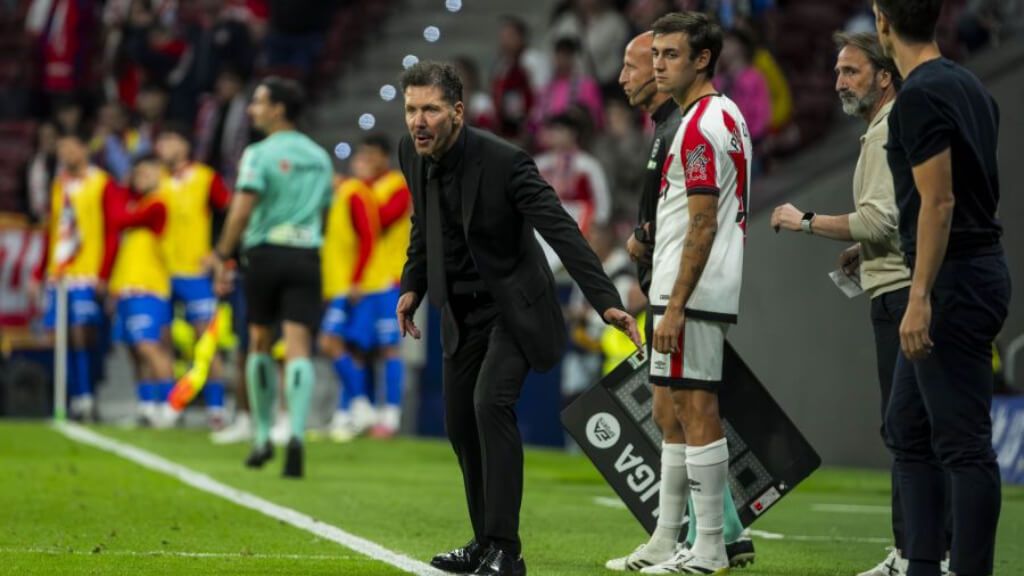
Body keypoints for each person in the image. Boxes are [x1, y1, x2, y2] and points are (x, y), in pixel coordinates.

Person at [394, 61, 640, 576]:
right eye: (412, 108)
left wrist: (605, 298)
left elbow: (561, 230)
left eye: (430, 109)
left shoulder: (505, 162)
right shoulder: (410, 155)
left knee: (490, 404)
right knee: (459, 425)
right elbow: (424, 227)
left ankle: (507, 550)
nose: (418, 120)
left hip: (512, 308)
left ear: (457, 112)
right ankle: (484, 542)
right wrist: (411, 285)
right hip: (459, 312)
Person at [769, 31, 952, 576]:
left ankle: (921, 553)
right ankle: (923, 551)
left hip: (902, 296)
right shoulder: (891, 125)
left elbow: (880, 218)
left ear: (884, 76)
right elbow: (899, 218)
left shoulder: (885, 130)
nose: (839, 82)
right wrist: (860, 246)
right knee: (915, 429)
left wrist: (804, 220)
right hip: (901, 284)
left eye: (851, 71)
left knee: (908, 431)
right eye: (837, 72)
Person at [606, 28, 754, 574]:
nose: (660, 65)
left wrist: (675, 305)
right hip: (681, 287)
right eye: (658, 55)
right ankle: (667, 539)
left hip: (690, 293)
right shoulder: (724, 116)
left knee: (696, 410)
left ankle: (711, 546)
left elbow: (702, 222)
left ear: (703, 59)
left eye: (672, 55)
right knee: (669, 411)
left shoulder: (697, 127)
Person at [874, 1, 1011, 575]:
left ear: (882, 22)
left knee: (963, 444)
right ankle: (922, 563)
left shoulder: (919, 96)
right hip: (974, 269)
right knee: (907, 426)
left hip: (951, 280)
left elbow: (940, 200)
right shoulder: (969, 84)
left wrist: (920, 295)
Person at [207, 76, 334, 479]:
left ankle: (262, 437)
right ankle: (295, 435)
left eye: (259, 102)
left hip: (264, 255)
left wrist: (222, 253)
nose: (251, 109)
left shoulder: (258, 154)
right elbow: (325, 211)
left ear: (278, 108)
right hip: (306, 254)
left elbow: (242, 209)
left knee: (259, 342)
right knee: (298, 348)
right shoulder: (319, 156)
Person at [29, 125, 121, 421]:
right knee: (59, 337)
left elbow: (111, 232)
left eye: (70, 147)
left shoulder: (102, 183)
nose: (65, 153)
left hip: (88, 273)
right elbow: (52, 233)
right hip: (61, 274)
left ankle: (88, 394)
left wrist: (105, 273)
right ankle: (75, 396)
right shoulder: (59, 185)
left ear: (85, 149)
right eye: (61, 149)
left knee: (84, 335)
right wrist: (38, 272)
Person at [155, 122, 233, 428]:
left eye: (169, 139)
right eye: (161, 141)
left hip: (195, 273)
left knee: (205, 342)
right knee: (160, 341)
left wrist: (219, 254)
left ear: (184, 146)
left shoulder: (205, 178)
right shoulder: (154, 179)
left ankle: (216, 408)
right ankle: (167, 406)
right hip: (159, 273)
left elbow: (229, 213)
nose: (162, 146)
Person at [106, 154, 175, 427]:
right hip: (125, 287)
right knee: (134, 351)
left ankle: (170, 405)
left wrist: (123, 188)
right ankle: (147, 406)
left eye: (148, 173)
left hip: (149, 286)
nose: (141, 179)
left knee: (149, 347)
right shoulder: (139, 204)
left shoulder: (158, 204)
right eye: (138, 174)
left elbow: (117, 218)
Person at [320, 158, 383, 442]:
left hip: (348, 286)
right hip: (337, 285)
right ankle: (348, 413)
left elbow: (369, 237)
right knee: (345, 347)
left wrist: (356, 279)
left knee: (329, 343)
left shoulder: (354, 192)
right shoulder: (339, 197)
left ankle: (361, 404)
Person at [362, 134, 412, 438]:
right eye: (363, 154)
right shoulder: (364, 188)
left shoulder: (397, 186)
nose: (366, 160)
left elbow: (379, 218)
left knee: (389, 347)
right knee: (362, 348)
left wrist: (354, 191)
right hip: (365, 280)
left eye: (371, 155)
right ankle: (364, 411)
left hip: (390, 278)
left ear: (383, 157)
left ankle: (391, 414)